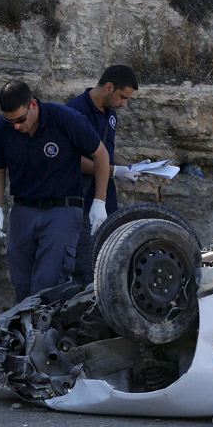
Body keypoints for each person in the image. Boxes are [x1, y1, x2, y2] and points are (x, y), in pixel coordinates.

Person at [0, 80, 110, 302]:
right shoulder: (0, 129)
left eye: (20, 119)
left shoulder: (65, 119)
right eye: (10, 121)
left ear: (33, 105)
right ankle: (25, 333)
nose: (16, 126)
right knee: (21, 280)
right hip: (24, 208)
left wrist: (99, 202)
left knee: (49, 282)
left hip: (61, 208)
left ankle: (45, 334)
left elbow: (100, 155)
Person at [66, 65, 146, 286]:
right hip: (82, 201)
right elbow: (72, 160)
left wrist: (129, 167)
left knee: (109, 261)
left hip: (106, 199)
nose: (124, 104)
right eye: (122, 97)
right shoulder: (75, 111)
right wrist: (115, 171)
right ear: (109, 87)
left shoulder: (110, 114)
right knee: (85, 265)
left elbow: (106, 152)